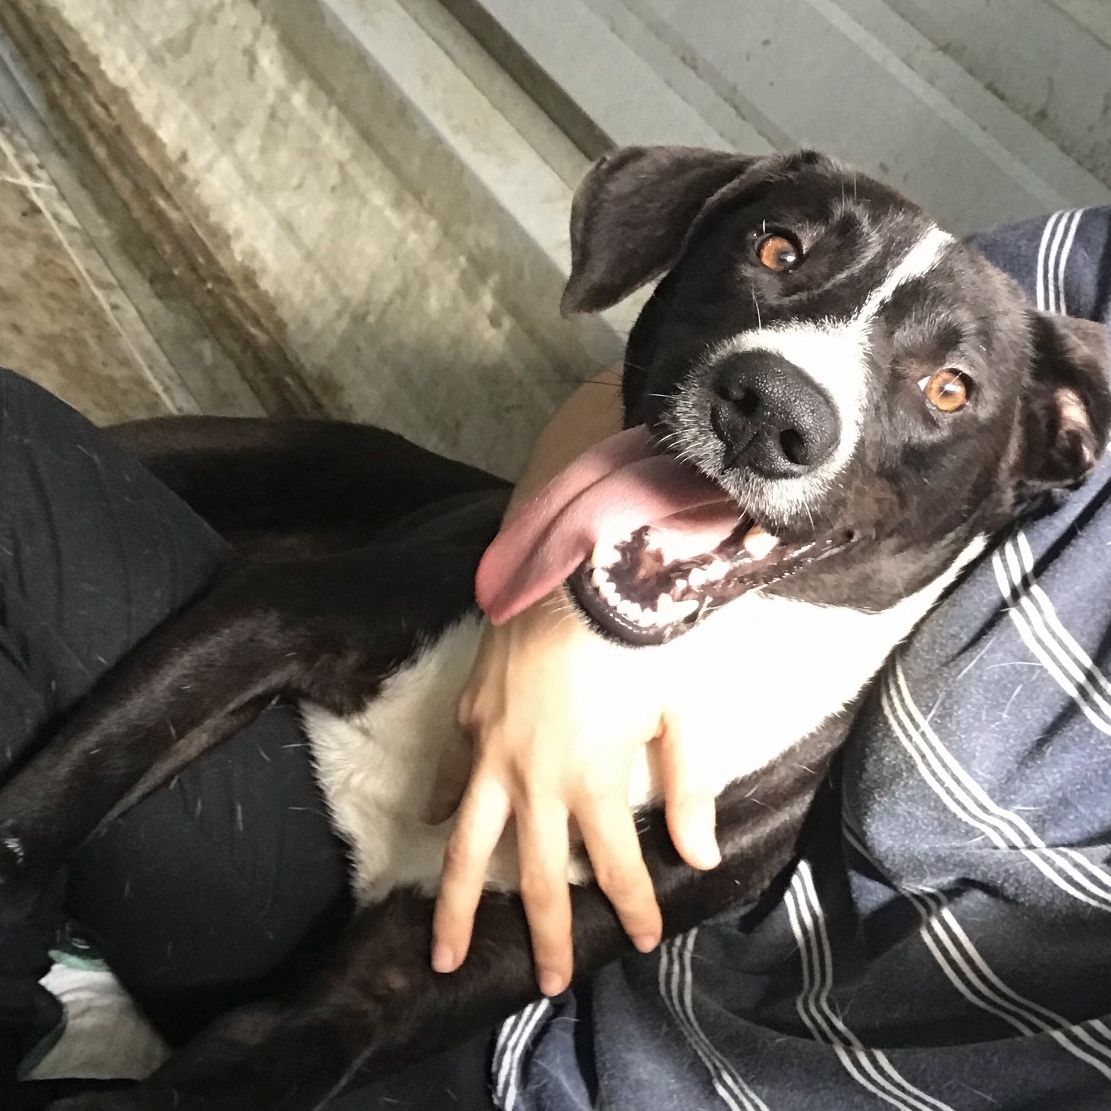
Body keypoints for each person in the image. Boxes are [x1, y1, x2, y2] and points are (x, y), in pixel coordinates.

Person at [1, 203, 1109, 1111]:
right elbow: (792, 338)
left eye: (945, 387)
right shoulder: (1063, 294)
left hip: (504, 1053)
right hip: (327, 737)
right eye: (781, 258)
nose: (793, 388)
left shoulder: (740, 819)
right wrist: (565, 623)